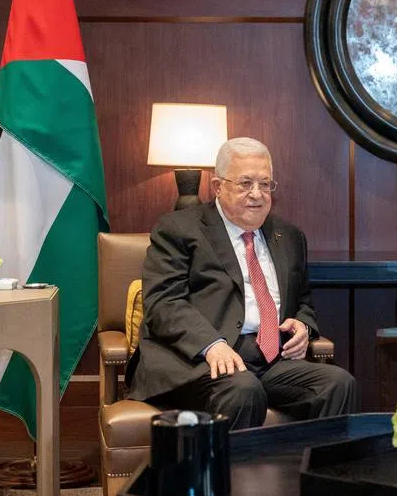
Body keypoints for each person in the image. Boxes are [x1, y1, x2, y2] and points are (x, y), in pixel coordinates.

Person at [127, 137, 359, 430]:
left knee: (338, 383)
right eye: (245, 183)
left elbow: (303, 301)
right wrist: (211, 345)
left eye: (265, 184)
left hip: (270, 359)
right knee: (243, 389)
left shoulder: (289, 236)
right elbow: (164, 303)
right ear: (218, 186)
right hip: (198, 360)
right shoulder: (178, 229)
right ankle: (236, 477)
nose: (257, 194)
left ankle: (316, 475)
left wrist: (303, 326)